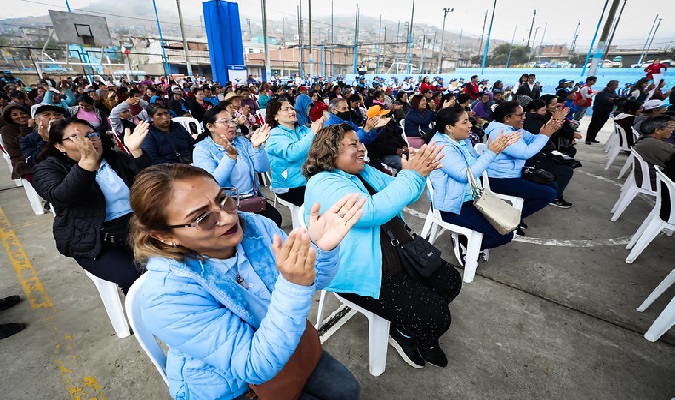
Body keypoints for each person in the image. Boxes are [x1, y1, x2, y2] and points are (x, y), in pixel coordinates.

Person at [129, 163, 364, 400]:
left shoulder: (256, 227)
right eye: (202, 218)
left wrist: (320, 248)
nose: (228, 217)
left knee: (348, 391)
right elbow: (255, 366)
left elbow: (312, 281)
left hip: (285, 342)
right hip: (230, 386)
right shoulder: (167, 297)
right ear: (164, 236)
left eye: (223, 199)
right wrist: (293, 285)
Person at [303, 123, 462, 369]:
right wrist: (411, 176)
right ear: (330, 151)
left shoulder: (365, 171)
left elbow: (405, 194)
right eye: (353, 144)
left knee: (450, 281)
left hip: (401, 251)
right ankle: (410, 333)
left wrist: (417, 174)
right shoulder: (322, 183)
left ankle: (405, 329)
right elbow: (369, 211)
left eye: (360, 142)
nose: (362, 148)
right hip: (367, 272)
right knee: (436, 315)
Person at [32, 118, 151, 293]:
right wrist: (87, 163)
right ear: (60, 146)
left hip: (139, 228)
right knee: (135, 278)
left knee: (179, 260)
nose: (88, 141)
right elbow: (64, 197)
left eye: (91, 135)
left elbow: (154, 185)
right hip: (95, 239)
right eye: (75, 137)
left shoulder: (115, 159)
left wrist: (136, 152)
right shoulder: (48, 169)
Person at [429, 107, 521, 250]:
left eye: (469, 121)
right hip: (454, 206)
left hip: (473, 197)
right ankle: (463, 243)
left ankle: (468, 241)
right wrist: (491, 153)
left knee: (509, 226)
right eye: (464, 122)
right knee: (504, 236)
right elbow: (465, 175)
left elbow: (476, 163)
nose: (470, 125)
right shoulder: (442, 148)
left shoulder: (462, 141)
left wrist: (493, 150)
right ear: (449, 128)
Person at [193, 105, 282, 227]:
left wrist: (257, 147)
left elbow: (262, 168)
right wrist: (230, 157)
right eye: (225, 122)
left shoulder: (241, 142)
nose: (232, 125)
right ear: (210, 126)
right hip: (225, 206)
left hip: (251, 199)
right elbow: (213, 183)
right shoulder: (202, 150)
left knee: (274, 218)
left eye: (232, 121)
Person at [484, 102, 561, 233]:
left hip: (513, 175)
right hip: (499, 179)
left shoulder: (515, 129)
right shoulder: (501, 133)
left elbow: (533, 139)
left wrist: (549, 128)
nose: (524, 117)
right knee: (549, 194)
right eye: (520, 115)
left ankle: (514, 216)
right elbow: (525, 153)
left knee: (552, 186)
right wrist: (545, 135)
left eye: (523, 114)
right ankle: (508, 219)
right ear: (507, 118)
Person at [265, 99, 323, 206]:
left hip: (310, 179)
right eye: (286, 109)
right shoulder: (274, 135)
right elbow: (292, 152)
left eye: (292, 108)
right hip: (290, 186)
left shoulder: (303, 130)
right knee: (324, 201)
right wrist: (313, 133)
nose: (292, 111)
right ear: (275, 116)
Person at [522, 99, 576, 208]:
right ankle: (555, 197)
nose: (545, 112)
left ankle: (553, 192)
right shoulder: (533, 122)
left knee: (568, 160)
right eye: (543, 110)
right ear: (532, 111)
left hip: (540, 154)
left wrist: (557, 122)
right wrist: (556, 122)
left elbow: (546, 137)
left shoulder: (538, 119)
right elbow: (541, 141)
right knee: (566, 170)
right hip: (535, 159)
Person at [632, 115, 675, 187]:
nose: (673, 130)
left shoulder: (646, 139)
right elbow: (672, 153)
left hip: (651, 177)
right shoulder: (653, 143)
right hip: (658, 182)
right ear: (657, 130)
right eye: (671, 127)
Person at [1, 105, 34, 181]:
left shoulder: (36, 124)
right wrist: (28, 128)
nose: (20, 116)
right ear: (9, 118)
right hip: (23, 162)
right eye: (15, 115)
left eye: (23, 113)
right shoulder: (6, 129)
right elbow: (18, 144)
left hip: (41, 157)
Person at [585, 80, 620, 144]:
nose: (616, 87)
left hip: (606, 112)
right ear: (611, 85)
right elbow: (606, 100)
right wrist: (614, 100)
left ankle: (593, 137)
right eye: (616, 85)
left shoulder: (614, 94)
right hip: (598, 111)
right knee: (593, 125)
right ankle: (588, 139)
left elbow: (618, 100)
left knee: (600, 125)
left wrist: (615, 100)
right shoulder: (602, 93)